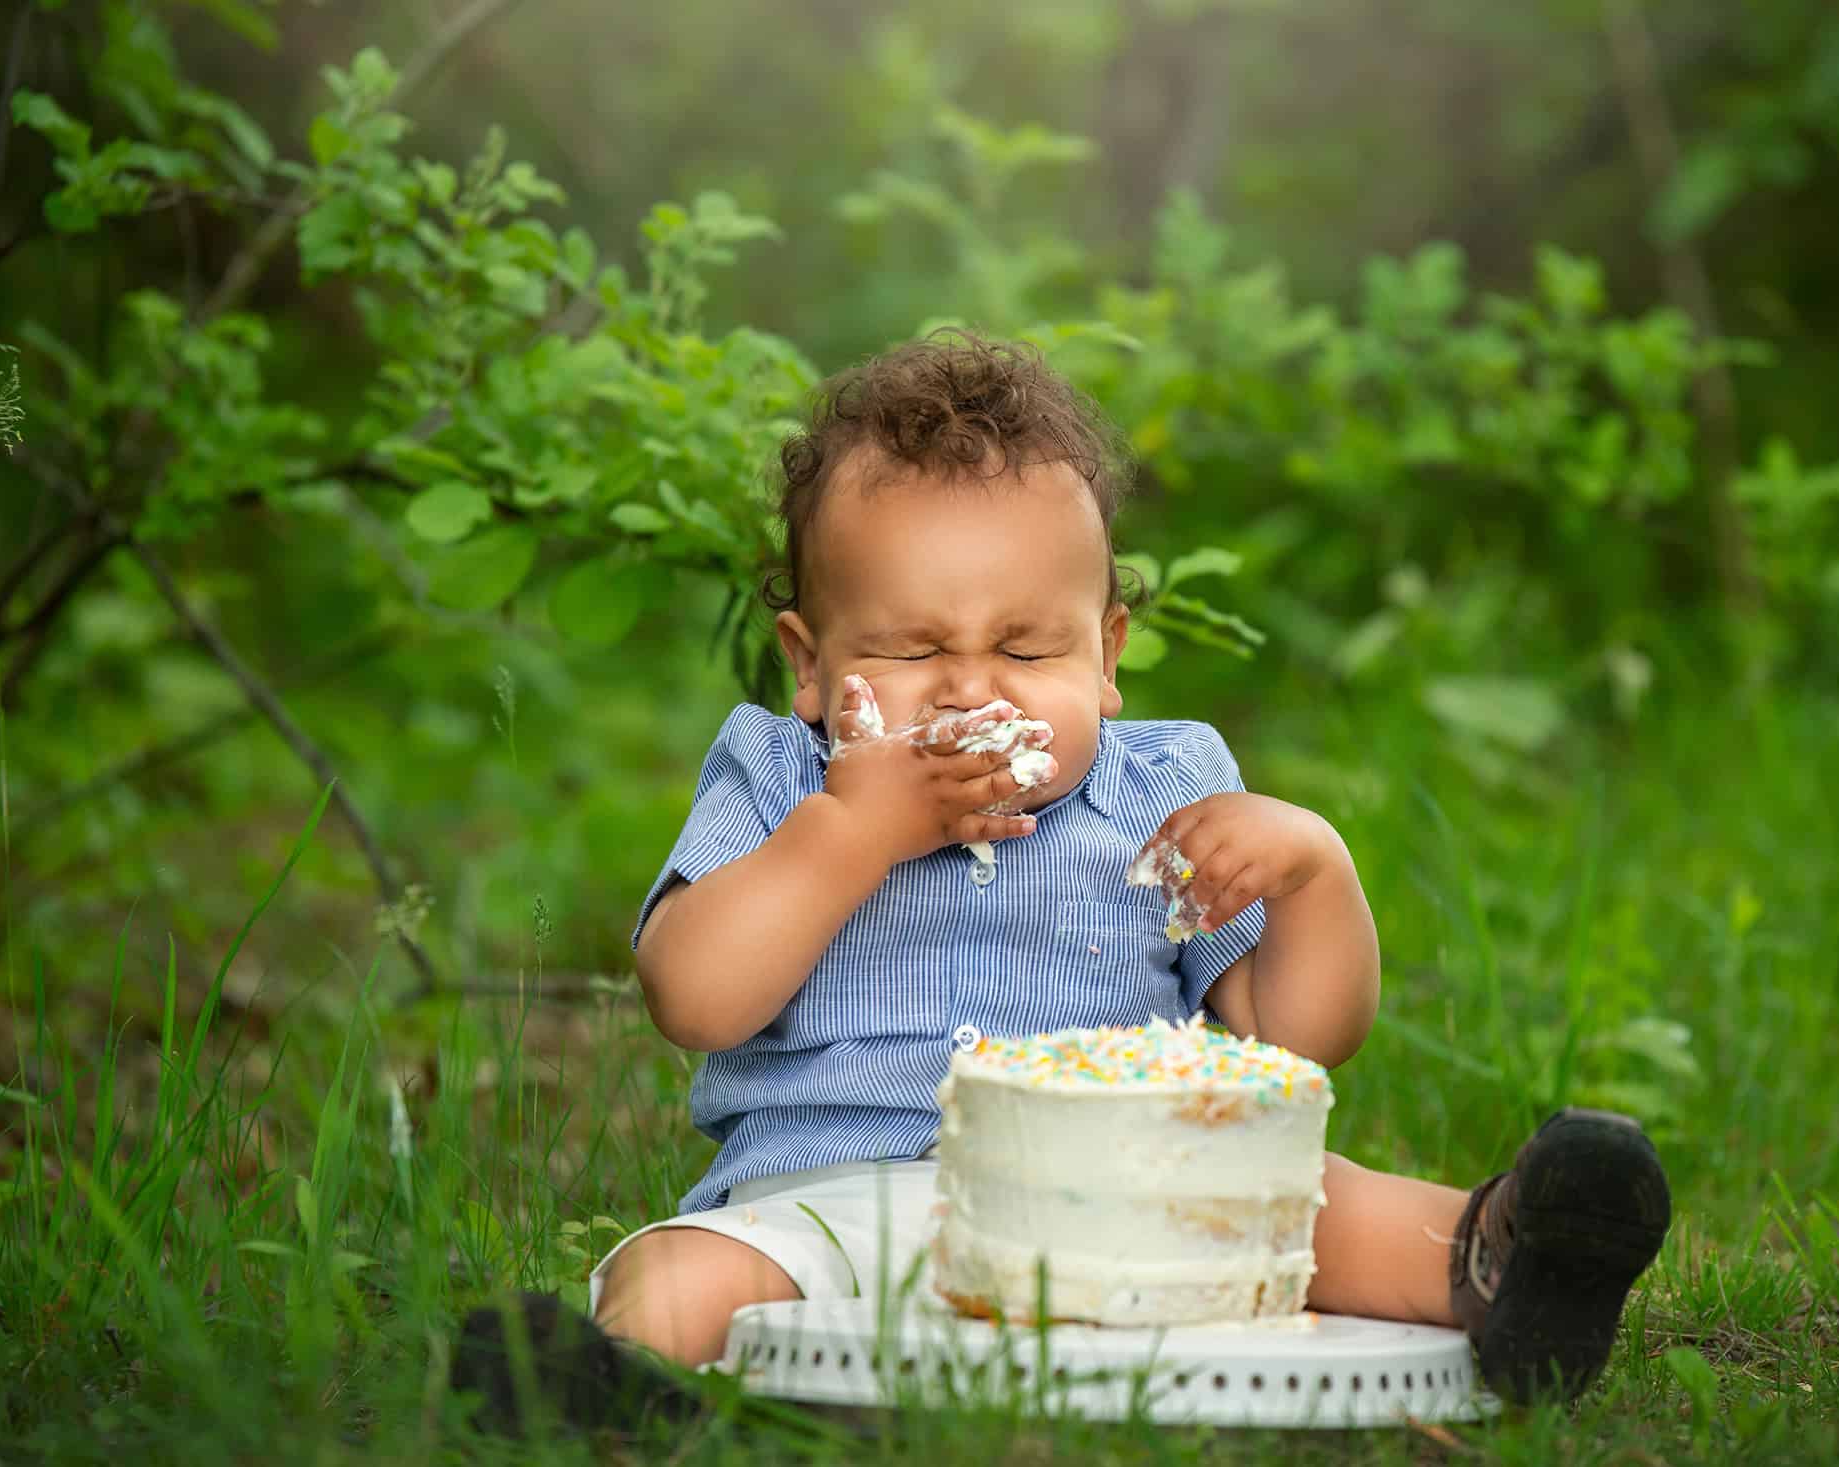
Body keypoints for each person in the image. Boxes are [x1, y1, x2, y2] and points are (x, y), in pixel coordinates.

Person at [452, 330, 1670, 1431]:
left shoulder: (1162, 787)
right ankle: (623, 1403)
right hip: (841, 1199)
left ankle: (1510, 1263)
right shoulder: (780, 777)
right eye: (911, 649)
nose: (972, 689)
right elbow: (693, 997)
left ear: (1105, 658)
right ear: (810, 667)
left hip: (1133, 1196)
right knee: (679, 1272)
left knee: (1317, 1203)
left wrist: (1312, 873)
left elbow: (1295, 1043)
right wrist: (853, 830)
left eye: (1028, 648)